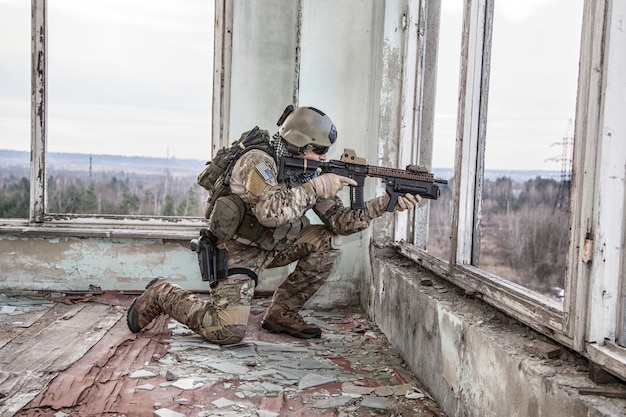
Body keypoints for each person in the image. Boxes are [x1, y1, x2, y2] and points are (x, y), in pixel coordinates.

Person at [126, 105, 421, 345]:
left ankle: (282, 313)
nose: (323, 158)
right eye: (318, 150)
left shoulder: (306, 170)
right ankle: (163, 293)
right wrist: (317, 187)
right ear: (297, 143)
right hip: (237, 250)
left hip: (275, 245)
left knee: (328, 240)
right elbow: (270, 212)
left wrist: (385, 203)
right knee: (226, 332)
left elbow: (340, 222)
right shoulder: (257, 162)